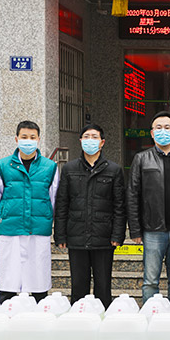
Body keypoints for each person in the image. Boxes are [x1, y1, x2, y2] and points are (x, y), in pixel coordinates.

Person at [126, 111, 170, 310]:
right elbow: (132, 195)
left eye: (167, 127)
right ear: (152, 133)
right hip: (152, 229)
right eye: (158, 127)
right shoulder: (141, 159)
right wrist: (135, 230)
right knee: (150, 281)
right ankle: (151, 316)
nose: (162, 131)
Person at [54, 124, 126, 309]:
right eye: (86, 137)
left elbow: (119, 206)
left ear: (102, 142)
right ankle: (79, 321)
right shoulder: (69, 169)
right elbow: (62, 203)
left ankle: (103, 320)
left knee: (103, 287)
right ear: (80, 141)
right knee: (78, 287)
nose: (90, 141)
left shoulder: (114, 170)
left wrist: (118, 235)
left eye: (94, 137)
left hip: (103, 237)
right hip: (76, 236)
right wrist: (60, 235)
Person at [0, 121, 59, 303]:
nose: (28, 141)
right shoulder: (3, 165)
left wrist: (44, 217)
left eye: (32, 137)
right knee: (9, 280)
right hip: (11, 229)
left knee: (38, 282)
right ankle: (7, 312)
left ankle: (39, 314)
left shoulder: (50, 167)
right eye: (24, 137)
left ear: (38, 139)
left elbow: (53, 198)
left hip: (38, 228)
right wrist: (7, 215)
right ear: (16, 139)